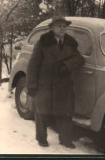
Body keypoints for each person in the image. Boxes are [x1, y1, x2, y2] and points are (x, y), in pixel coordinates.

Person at [26, 15, 85, 148]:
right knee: (42, 112)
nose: (62, 28)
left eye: (64, 26)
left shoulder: (70, 42)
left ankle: (65, 139)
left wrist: (67, 65)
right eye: (59, 25)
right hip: (45, 84)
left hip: (63, 85)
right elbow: (33, 65)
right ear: (52, 28)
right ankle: (41, 138)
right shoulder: (43, 42)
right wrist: (32, 85)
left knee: (64, 113)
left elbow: (80, 59)